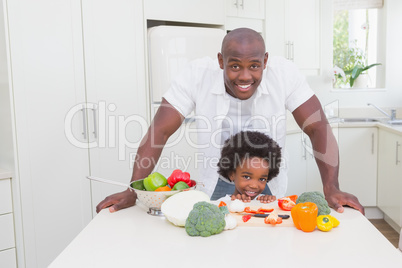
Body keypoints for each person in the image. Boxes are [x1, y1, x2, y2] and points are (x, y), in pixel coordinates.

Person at [96, 27, 364, 214]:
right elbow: (159, 132)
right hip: (216, 179)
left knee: (266, 240)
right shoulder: (196, 74)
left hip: (266, 181)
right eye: (235, 66)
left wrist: (332, 187)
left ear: (265, 61)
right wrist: (133, 190)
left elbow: (318, 127)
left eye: (254, 66)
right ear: (221, 61)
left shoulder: (284, 73)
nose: (245, 76)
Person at [216, 130, 281, 203]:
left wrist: (271, 203)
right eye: (247, 177)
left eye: (262, 179)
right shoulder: (222, 203)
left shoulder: (262, 202)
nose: (254, 186)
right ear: (231, 174)